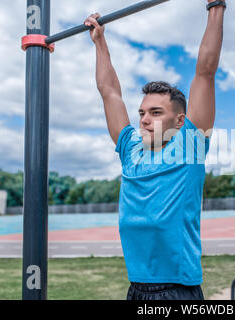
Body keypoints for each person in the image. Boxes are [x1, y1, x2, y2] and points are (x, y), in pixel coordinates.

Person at [84, 0, 226, 300]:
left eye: (156, 113)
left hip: (178, 289)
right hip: (135, 288)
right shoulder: (130, 150)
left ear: (180, 120)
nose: (145, 120)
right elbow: (109, 91)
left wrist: (216, 7)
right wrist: (100, 42)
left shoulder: (190, 144)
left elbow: (205, 72)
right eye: (142, 113)